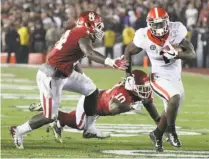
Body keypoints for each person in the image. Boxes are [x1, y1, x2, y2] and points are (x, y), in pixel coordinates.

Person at [10, 11, 128, 149]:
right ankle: (18, 131)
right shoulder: (82, 34)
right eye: (97, 26)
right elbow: (89, 53)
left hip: (64, 72)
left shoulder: (75, 32)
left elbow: (73, 58)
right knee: (50, 116)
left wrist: (82, 77)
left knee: (92, 90)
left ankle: (89, 128)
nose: (99, 30)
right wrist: (111, 61)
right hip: (51, 76)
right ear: (88, 25)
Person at [123, 8, 196, 152]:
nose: (159, 27)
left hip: (176, 77)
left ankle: (157, 133)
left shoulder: (176, 31)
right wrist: (128, 76)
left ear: (167, 22)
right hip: (158, 76)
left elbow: (192, 54)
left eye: (161, 23)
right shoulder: (143, 36)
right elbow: (128, 51)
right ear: (149, 24)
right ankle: (172, 131)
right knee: (173, 99)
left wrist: (177, 54)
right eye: (155, 24)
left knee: (171, 110)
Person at [29, 70, 160, 143]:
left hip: (98, 107)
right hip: (91, 102)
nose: (144, 91)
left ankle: (58, 121)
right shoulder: (122, 93)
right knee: (80, 126)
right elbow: (114, 106)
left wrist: (160, 124)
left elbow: (149, 104)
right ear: (132, 85)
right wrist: (131, 107)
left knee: (79, 123)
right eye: (141, 88)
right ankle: (54, 113)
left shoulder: (134, 92)